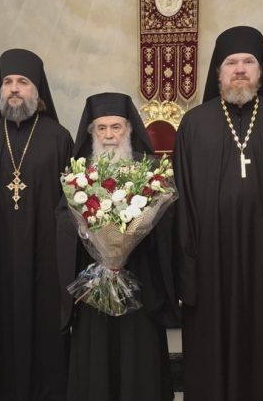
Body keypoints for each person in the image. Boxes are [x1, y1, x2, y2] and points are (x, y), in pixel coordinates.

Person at [173, 26, 263, 401]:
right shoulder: (194, 124)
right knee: (210, 359)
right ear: (218, 72)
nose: (240, 69)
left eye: (248, 62)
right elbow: (182, 203)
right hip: (210, 267)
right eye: (231, 62)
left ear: (261, 72)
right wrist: (188, 273)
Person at [56, 92, 179, 401]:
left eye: (116, 127)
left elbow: (168, 221)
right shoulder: (79, 174)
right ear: (92, 133)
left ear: (129, 130)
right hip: (93, 286)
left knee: (139, 360)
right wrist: (90, 238)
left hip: (141, 284)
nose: (109, 135)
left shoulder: (149, 170)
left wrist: (130, 242)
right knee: (96, 360)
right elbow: (62, 221)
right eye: (101, 128)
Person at [0, 49, 73, 400]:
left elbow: (71, 208)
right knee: (5, 336)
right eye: (8, 82)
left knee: (47, 341)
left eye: (22, 82)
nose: (14, 88)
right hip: (1, 264)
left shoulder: (58, 138)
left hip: (46, 265)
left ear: (37, 90)